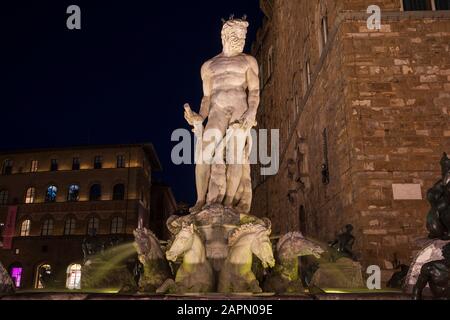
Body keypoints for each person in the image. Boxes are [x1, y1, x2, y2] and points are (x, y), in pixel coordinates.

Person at [184, 16, 260, 214]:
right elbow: (207, 98)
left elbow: (254, 92)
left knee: (235, 156)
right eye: (238, 34)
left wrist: (251, 112)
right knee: (203, 154)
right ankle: (201, 200)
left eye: (244, 35)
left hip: (239, 110)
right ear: (226, 34)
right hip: (216, 111)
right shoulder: (208, 66)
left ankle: (228, 203)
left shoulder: (248, 61)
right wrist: (199, 117)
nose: (242, 39)